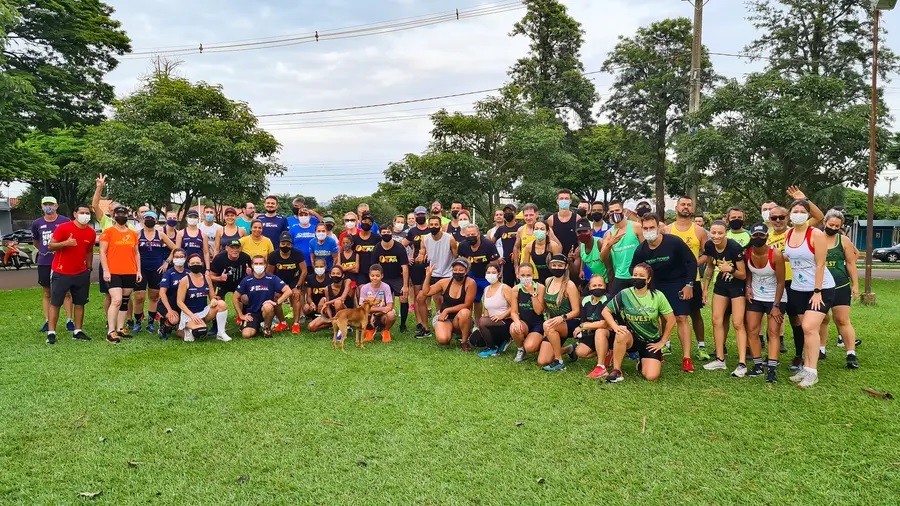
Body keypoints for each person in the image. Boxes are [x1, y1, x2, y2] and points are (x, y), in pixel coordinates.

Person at [631, 214, 698, 372]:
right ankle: (658, 350)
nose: (649, 231)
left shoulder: (674, 242)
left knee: (681, 318)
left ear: (659, 227)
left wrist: (689, 284)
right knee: (659, 318)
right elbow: (632, 269)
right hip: (656, 285)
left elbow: (691, 262)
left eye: (652, 227)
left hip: (678, 283)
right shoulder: (641, 249)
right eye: (645, 228)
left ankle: (687, 358)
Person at [767, 186, 826, 367]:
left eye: (781, 217)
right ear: (769, 219)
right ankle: (772, 356)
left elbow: (819, 217)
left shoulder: (798, 230)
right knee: (773, 319)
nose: (778, 220)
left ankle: (800, 355)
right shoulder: (765, 236)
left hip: (794, 283)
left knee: (797, 321)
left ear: (788, 217)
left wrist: (804, 199)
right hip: (774, 283)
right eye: (774, 218)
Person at [783, 199, 836, 388]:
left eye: (801, 210)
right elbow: (788, 257)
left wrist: (817, 291)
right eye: (794, 210)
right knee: (804, 329)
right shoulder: (788, 234)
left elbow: (821, 263)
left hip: (820, 289)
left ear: (807, 214)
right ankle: (806, 367)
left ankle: (812, 372)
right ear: (790, 214)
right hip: (798, 289)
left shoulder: (815, 234)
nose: (798, 213)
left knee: (809, 327)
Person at [602, 263, 676, 383]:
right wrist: (615, 327)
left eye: (641, 275)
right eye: (635, 275)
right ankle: (617, 370)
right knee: (621, 334)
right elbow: (606, 311)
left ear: (649, 279)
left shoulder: (658, 296)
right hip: (631, 338)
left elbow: (671, 320)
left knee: (651, 376)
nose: (637, 277)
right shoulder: (625, 293)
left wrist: (663, 341)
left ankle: (642, 362)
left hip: (650, 341)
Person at [701, 221, 749, 376]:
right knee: (716, 320)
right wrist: (705, 288)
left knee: (737, 323)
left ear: (725, 233)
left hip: (737, 286)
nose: (716, 236)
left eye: (720, 233)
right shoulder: (709, 246)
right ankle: (720, 359)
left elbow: (743, 274)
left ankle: (742, 363)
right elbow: (709, 266)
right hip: (721, 285)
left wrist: (731, 269)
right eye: (713, 233)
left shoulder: (734, 247)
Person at [665, 196, 710, 361]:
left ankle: (701, 346)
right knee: (666, 312)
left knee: (695, 313)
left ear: (692, 208)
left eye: (689, 205)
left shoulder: (699, 231)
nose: (686, 207)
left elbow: (708, 254)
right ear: (676, 207)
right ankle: (666, 344)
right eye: (683, 204)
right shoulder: (667, 230)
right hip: (671, 280)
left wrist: (694, 264)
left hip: (693, 279)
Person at [45, 205, 96, 344]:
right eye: (82, 212)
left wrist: (89, 267)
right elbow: (51, 246)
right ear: (75, 214)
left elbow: (89, 250)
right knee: (56, 303)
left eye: (87, 213)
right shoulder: (64, 228)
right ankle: (51, 332)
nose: (85, 215)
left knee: (80, 303)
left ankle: (77, 331)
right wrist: (66, 243)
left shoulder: (91, 233)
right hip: (61, 272)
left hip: (81, 273)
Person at [745, 223, 787, 383]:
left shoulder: (775, 254)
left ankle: (772, 368)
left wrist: (776, 306)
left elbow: (781, 282)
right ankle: (757, 365)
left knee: (773, 332)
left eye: (761, 236)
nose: (758, 239)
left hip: (775, 298)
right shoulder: (748, 253)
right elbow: (749, 272)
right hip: (756, 296)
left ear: (767, 237)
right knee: (753, 330)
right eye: (755, 236)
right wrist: (748, 286)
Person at [821, 210, 859, 370]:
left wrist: (855, 285)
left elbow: (851, 263)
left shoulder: (843, 240)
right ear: (824, 222)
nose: (833, 228)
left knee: (842, 320)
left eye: (837, 226)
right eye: (831, 225)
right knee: (822, 319)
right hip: (820, 287)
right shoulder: (815, 238)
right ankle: (820, 349)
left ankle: (851, 353)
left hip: (841, 285)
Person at [31, 196, 74, 332]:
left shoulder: (65, 221)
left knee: (66, 292)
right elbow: (36, 242)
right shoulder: (37, 223)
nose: (48, 207)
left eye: (51, 204)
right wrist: (45, 251)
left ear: (56, 206)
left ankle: (69, 320)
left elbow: (70, 239)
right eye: (45, 204)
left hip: (62, 261)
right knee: (47, 292)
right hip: (44, 262)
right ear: (42, 206)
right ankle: (47, 320)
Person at [99, 205, 141, 343]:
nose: (121, 216)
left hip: (129, 271)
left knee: (124, 300)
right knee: (116, 300)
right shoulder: (108, 232)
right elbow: (102, 252)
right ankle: (111, 331)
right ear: (114, 216)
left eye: (124, 214)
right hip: (113, 272)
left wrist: (138, 270)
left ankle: (120, 328)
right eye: (119, 214)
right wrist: (106, 270)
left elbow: (136, 253)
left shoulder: (133, 233)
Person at [132, 210, 177, 334]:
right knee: (139, 297)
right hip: (141, 269)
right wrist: (135, 268)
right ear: (143, 219)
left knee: (154, 296)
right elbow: (132, 251)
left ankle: (151, 323)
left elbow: (175, 248)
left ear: (156, 221)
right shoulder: (137, 234)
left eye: (152, 218)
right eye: (147, 218)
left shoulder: (161, 234)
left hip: (157, 269)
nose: (149, 220)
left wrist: (166, 262)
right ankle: (138, 322)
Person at [419, 258, 476, 351]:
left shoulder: (470, 283)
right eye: (455, 269)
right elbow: (426, 292)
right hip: (444, 318)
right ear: (452, 270)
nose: (458, 272)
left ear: (466, 271)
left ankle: (464, 341)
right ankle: (447, 331)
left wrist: (447, 310)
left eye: (461, 270)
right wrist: (428, 275)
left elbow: (467, 304)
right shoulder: (444, 282)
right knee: (443, 340)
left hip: (460, 317)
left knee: (465, 312)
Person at [538, 254, 582, 372]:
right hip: (553, 323)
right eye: (554, 265)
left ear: (566, 266)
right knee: (543, 361)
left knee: (548, 325)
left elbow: (577, 311)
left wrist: (562, 317)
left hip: (569, 321)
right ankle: (569, 349)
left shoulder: (570, 285)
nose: (557, 268)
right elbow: (545, 308)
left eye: (560, 265)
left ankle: (559, 361)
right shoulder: (548, 281)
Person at [234, 255, 292, 339]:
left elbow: (288, 291)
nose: (258, 266)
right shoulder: (247, 280)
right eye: (256, 264)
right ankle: (257, 326)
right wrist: (241, 315)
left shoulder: (272, 278)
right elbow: (235, 297)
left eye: (261, 263)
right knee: (246, 335)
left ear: (265, 265)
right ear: (252, 266)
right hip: (252, 314)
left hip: (267, 311)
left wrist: (276, 303)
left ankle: (266, 328)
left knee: (268, 306)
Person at [175, 254, 230, 342]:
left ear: (202, 263)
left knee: (221, 304)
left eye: (197, 262)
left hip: (203, 312)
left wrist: (213, 300)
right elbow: (179, 302)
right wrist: (192, 316)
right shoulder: (185, 280)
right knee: (200, 332)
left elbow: (212, 296)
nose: (195, 264)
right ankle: (182, 330)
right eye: (193, 263)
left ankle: (221, 333)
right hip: (189, 314)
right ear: (188, 264)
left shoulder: (207, 278)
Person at [419, 215, 458, 323]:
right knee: (420, 298)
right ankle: (424, 326)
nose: (433, 226)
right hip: (432, 273)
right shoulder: (425, 239)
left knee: (442, 300)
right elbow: (421, 254)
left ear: (440, 226)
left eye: (436, 224)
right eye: (431, 224)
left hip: (447, 273)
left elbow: (456, 256)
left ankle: (446, 320)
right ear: (428, 225)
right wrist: (420, 257)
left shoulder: (449, 238)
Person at [268, 231, 308, 334]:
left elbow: (304, 271)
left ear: (291, 244)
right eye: (283, 244)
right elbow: (269, 273)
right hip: (279, 281)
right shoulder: (273, 255)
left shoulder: (297, 254)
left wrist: (298, 286)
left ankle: (296, 324)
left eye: (288, 244)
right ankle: (283, 323)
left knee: (296, 295)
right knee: (276, 297)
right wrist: (274, 287)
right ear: (279, 244)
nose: (285, 246)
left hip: (294, 280)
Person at [602, 200, 644, 296]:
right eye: (611, 212)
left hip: (637, 275)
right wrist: (609, 244)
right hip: (620, 276)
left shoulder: (636, 227)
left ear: (623, 210)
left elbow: (646, 250)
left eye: (617, 210)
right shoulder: (608, 233)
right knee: (612, 308)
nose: (615, 213)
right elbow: (602, 258)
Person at [372, 223, 409, 332]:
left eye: (388, 232)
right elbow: (373, 267)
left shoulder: (399, 247)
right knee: (381, 301)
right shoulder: (377, 248)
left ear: (392, 233)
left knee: (403, 297)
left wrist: (406, 286)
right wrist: (375, 283)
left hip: (397, 278)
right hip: (383, 279)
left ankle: (403, 325)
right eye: (384, 233)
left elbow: (405, 267)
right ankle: (379, 323)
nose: (386, 234)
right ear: (380, 233)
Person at [458, 223, 500, 317]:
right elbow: (461, 262)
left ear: (478, 234)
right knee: (474, 300)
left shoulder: (488, 244)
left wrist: (493, 276)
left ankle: (489, 320)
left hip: (486, 277)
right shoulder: (462, 246)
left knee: (490, 302)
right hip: (472, 276)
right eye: (468, 235)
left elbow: (495, 263)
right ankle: (475, 323)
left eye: (473, 234)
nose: (470, 237)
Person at [474, 264, 515, 357]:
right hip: (492, 322)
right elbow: (486, 308)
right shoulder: (486, 289)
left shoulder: (505, 288)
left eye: (493, 272)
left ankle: (492, 348)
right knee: (474, 340)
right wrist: (485, 318)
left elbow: (515, 306)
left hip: (505, 321)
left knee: (483, 321)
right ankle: (501, 341)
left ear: (499, 274)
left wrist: (502, 316)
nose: (490, 275)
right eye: (488, 272)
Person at [509, 263, 546, 362]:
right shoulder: (515, 289)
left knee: (530, 347)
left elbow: (539, 311)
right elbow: (513, 311)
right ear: (518, 275)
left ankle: (540, 342)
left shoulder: (540, 287)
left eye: (528, 275)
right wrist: (517, 321)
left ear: (533, 275)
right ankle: (520, 349)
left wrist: (532, 293)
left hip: (537, 323)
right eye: (523, 275)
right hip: (524, 322)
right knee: (514, 328)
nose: (525, 278)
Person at [578, 275, 612, 378]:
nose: (597, 287)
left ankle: (601, 367)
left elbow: (604, 323)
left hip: (609, 333)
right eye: (594, 285)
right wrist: (581, 327)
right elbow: (583, 320)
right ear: (589, 287)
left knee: (600, 330)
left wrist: (584, 326)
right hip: (592, 332)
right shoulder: (585, 300)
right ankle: (607, 352)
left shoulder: (608, 299)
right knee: (580, 352)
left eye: (600, 285)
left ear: (605, 286)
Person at [404, 206, 431, 338]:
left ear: (426, 215)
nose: (420, 216)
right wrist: (407, 258)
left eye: (422, 214)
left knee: (428, 293)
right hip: (415, 266)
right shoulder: (412, 231)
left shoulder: (431, 228)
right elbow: (402, 244)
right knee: (416, 293)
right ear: (415, 216)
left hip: (429, 265)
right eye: (418, 215)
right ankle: (419, 322)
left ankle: (433, 320)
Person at [308, 265, 354, 332]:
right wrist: (331, 318)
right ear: (330, 275)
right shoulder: (327, 288)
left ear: (343, 275)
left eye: (338, 273)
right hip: (333, 314)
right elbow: (328, 307)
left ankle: (343, 325)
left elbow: (342, 298)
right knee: (311, 327)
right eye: (333, 273)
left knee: (338, 302)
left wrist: (326, 302)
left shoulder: (347, 281)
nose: (335, 275)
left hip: (347, 312)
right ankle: (334, 323)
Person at [359, 264, 396, 343]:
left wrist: (376, 313)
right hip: (369, 315)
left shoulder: (386, 287)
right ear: (369, 276)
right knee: (363, 314)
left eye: (377, 276)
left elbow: (389, 306)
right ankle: (370, 330)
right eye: (372, 275)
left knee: (391, 314)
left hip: (381, 314)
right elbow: (362, 308)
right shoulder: (364, 288)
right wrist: (381, 309)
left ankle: (385, 331)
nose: (374, 278)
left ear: (382, 276)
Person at [209, 239, 252, 308]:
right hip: (222, 283)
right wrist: (219, 278)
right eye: (232, 247)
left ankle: (242, 315)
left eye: (237, 248)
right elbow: (210, 276)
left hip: (239, 283)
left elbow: (251, 276)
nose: (235, 250)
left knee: (245, 298)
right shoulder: (219, 258)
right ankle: (217, 317)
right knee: (217, 300)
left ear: (240, 249)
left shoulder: (246, 258)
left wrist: (249, 274)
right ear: (226, 248)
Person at [546, 189, 579, 277]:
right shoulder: (551, 219)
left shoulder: (577, 218)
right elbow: (548, 239)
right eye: (561, 199)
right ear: (557, 201)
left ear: (570, 201)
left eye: (566, 198)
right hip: (557, 260)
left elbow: (581, 242)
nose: (564, 201)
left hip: (573, 259)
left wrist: (576, 253)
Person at [519, 220, 560, 285]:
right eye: (536, 229)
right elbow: (525, 266)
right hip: (538, 278)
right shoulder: (529, 246)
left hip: (553, 278)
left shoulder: (553, 246)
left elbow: (559, 266)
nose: (539, 231)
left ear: (547, 232)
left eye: (542, 229)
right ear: (533, 231)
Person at [493, 204, 521, 287]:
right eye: (505, 212)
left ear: (515, 213)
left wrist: (517, 254)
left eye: (510, 211)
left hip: (520, 260)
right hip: (506, 262)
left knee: (520, 285)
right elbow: (491, 244)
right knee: (507, 286)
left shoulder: (521, 228)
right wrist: (497, 257)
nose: (507, 213)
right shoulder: (501, 229)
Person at [351, 213, 381, 287]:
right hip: (360, 271)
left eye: (369, 222)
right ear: (361, 221)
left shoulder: (377, 238)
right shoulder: (354, 238)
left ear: (372, 224)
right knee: (361, 290)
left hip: (374, 270)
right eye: (364, 221)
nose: (366, 223)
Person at [512, 203, 539, 271]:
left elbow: (557, 245)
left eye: (531, 215)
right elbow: (516, 247)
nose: (528, 218)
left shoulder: (543, 228)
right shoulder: (521, 230)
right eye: (526, 215)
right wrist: (516, 266)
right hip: (525, 269)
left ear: (537, 214)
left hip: (540, 268)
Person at [303, 257, 330, 322]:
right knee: (306, 307)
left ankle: (327, 317)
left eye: (321, 266)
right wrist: (311, 303)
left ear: (325, 266)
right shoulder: (310, 278)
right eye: (317, 266)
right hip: (314, 305)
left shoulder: (330, 278)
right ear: (314, 267)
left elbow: (332, 295)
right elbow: (308, 296)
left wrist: (324, 301)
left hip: (326, 304)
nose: (319, 268)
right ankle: (310, 317)